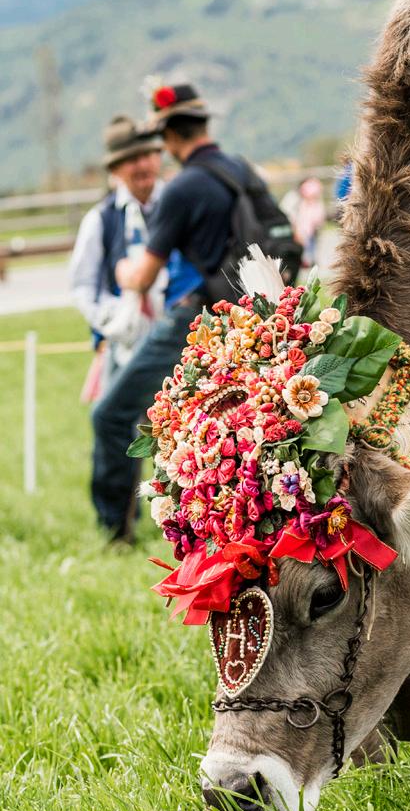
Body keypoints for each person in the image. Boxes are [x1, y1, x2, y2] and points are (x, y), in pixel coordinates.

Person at [91, 83, 290, 542]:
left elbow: (143, 276)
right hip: (252, 319)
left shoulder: (181, 188)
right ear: (201, 124)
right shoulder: (241, 169)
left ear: (168, 136)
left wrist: (122, 271)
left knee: (112, 414)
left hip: (197, 318)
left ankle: (114, 531)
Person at [69, 115, 165, 396]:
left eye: (148, 155)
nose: (143, 165)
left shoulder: (178, 206)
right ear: (116, 169)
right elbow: (83, 285)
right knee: (117, 417)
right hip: (124, 346)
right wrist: (114, 319)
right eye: (132, 159)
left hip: (177, 342)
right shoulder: (101, 219)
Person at [293, 176, 326, 268]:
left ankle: (311, 259)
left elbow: (319, 215)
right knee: (307, 243)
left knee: (312, 243)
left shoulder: (315, 204)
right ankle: (307, 260)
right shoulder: (305, 204)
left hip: (313, 226)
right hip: (306, 227)